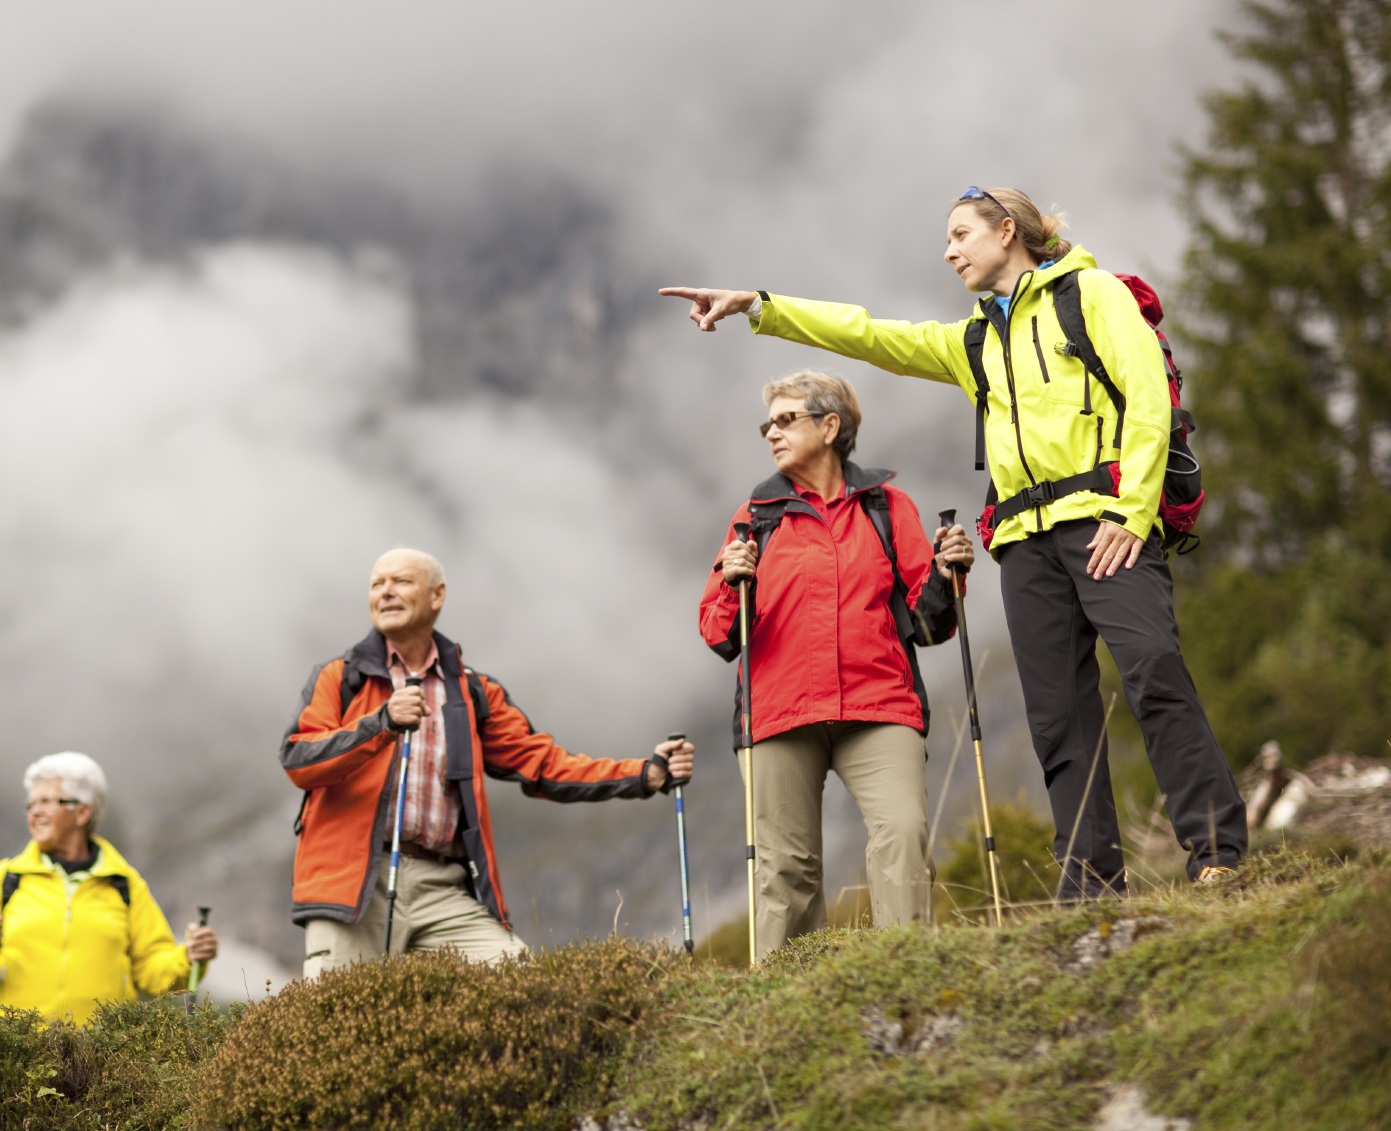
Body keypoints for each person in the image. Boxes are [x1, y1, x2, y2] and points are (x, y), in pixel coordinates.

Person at [661, 186, 1247, 897]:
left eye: (960, 234)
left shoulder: (1090, 294)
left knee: (1154, 672)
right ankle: (1090, 881)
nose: (948, 251)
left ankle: (1215, 852)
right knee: (1057, 715)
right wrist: (758, 305)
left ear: (1007, 231)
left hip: (1105, 522)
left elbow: (1148, 400)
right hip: (1025, 544)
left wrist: (1129, 513)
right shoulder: (974, 340)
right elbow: (869, 333)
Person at [282, 547, 695, 979]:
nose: (385, 592)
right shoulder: (338, 678)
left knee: (520, 979)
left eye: (400, 582)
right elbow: (299, 760)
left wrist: (645, 774)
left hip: (441, 886)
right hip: (354, 887)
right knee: (343, 1028)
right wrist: (380, 724)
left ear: (437, 595)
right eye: (375, 584)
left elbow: (543, 764)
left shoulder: (472, 691)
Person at [702, 371, 972, 953]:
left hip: (880, 705)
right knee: (786, 870)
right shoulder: (756, 516)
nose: (771, 433)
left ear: (830, 427)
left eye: (785, 419)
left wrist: (948, 576)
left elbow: (930, 624)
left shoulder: (887, 508)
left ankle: (906, 977)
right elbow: (718, 632)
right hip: (779, 713)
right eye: (766, 424)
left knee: (902, 832)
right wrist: (732, 582)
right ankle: (781, 1012)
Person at [0, 752, 218, 1022]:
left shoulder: (124, 883)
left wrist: (188, 957)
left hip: (100, 1060)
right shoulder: (6, 878)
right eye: (31, 804)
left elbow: (153, 973)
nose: (35, 812)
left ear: (82, 812)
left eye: (47, 801)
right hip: (10, 1060)